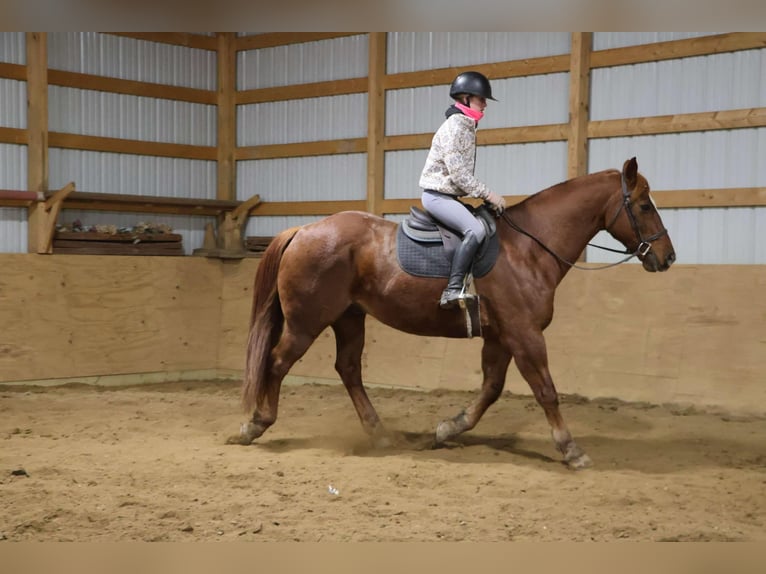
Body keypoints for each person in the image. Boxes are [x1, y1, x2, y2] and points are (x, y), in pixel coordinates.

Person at [419, 70, 506, 309]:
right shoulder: (455, 127)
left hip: (448, 195)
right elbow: (458, 174)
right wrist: (487, 193)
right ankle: (453, 289)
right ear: (466, 98)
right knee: (476, 230)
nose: (485, 104)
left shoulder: (465, 126)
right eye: (481, 99)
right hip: (437, 196)